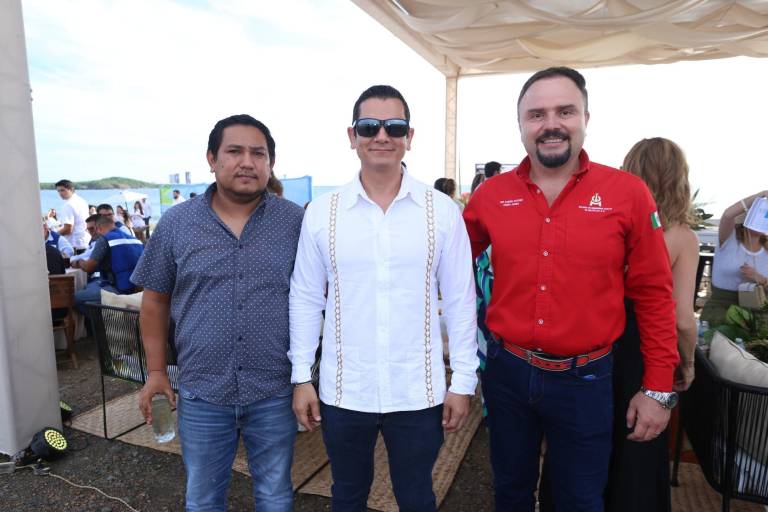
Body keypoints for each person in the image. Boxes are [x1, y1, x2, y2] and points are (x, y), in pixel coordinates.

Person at [462, 67, 679, 511]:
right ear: (521, 125)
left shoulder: (628, 194)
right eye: (536, 114)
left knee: (580, 500)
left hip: (587, 380)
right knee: (510, 492)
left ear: (585, 117)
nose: (551, 124)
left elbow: (655, 294)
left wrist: (657, 388)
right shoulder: (490, 196)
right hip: (508, 373)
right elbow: (443, 268)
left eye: (565, 111)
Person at [290, 85, 478, 512]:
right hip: (344, 390)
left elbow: (462, 299)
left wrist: (463, 381)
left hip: (418, 391)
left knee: (416, 497)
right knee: (348, 495)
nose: (381, 135)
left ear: (410, 136)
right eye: (369, 126)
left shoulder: (442, 211)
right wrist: (302, 376)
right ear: (351, 135)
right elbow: (304, 298)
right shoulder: (323, 212)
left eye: (394, 126)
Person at [132, 114, 304, 511]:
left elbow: (316, 298)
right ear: (212, 159)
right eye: (235, 151)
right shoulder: (177, 223)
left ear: (270, 163)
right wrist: (156, 372)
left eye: (258, 153)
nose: (247, 162)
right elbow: (155, 301)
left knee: (276, 494)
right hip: (202, 390)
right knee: (204, 497)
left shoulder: (295, 222)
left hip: (275, 389)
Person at [602, 137, 700, 512]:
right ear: (680, 179)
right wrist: (687, 362)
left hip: (600, 345)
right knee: (640, 446)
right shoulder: (681, 237)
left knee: (594, 444)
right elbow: (682, 319)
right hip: (647, 352)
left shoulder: (612, 226)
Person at [700, 190, 768, 327]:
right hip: (721, 311)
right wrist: (761, 195)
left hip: (757, 317)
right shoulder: (728, 239)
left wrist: (760, 279)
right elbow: (728, 214)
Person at [71, 214, 144, 313]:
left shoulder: (105, 239)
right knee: (90, 287)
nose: (92, 233)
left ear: (98, 228)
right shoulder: (135, 240)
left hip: (118, 290)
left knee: (75, 297)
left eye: (93, 229)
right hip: (137, 291)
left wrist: (78, 262)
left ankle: (102, 322)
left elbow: (89, 267)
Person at [55, 179, 91, 253]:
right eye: (58, 191)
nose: (60, 193)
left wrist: (53, 235)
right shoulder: (82, 201)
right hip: (86, 241)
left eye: (62, 190)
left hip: (75, 245)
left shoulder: (68, 205)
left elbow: (68, 229)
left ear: (71, 189)